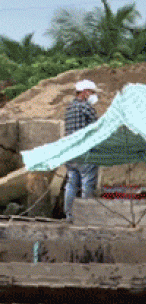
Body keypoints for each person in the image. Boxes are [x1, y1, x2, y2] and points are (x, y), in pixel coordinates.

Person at [63, 79, 101, 222]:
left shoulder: (69, 108)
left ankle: (69, 215)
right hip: (84, 152)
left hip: (70, 152)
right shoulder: (86, 108)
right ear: (85, 92)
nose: (92, 95)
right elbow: (96, 128)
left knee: (71, 183)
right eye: (91, 92)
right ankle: (86, 216)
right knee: (87, 183)